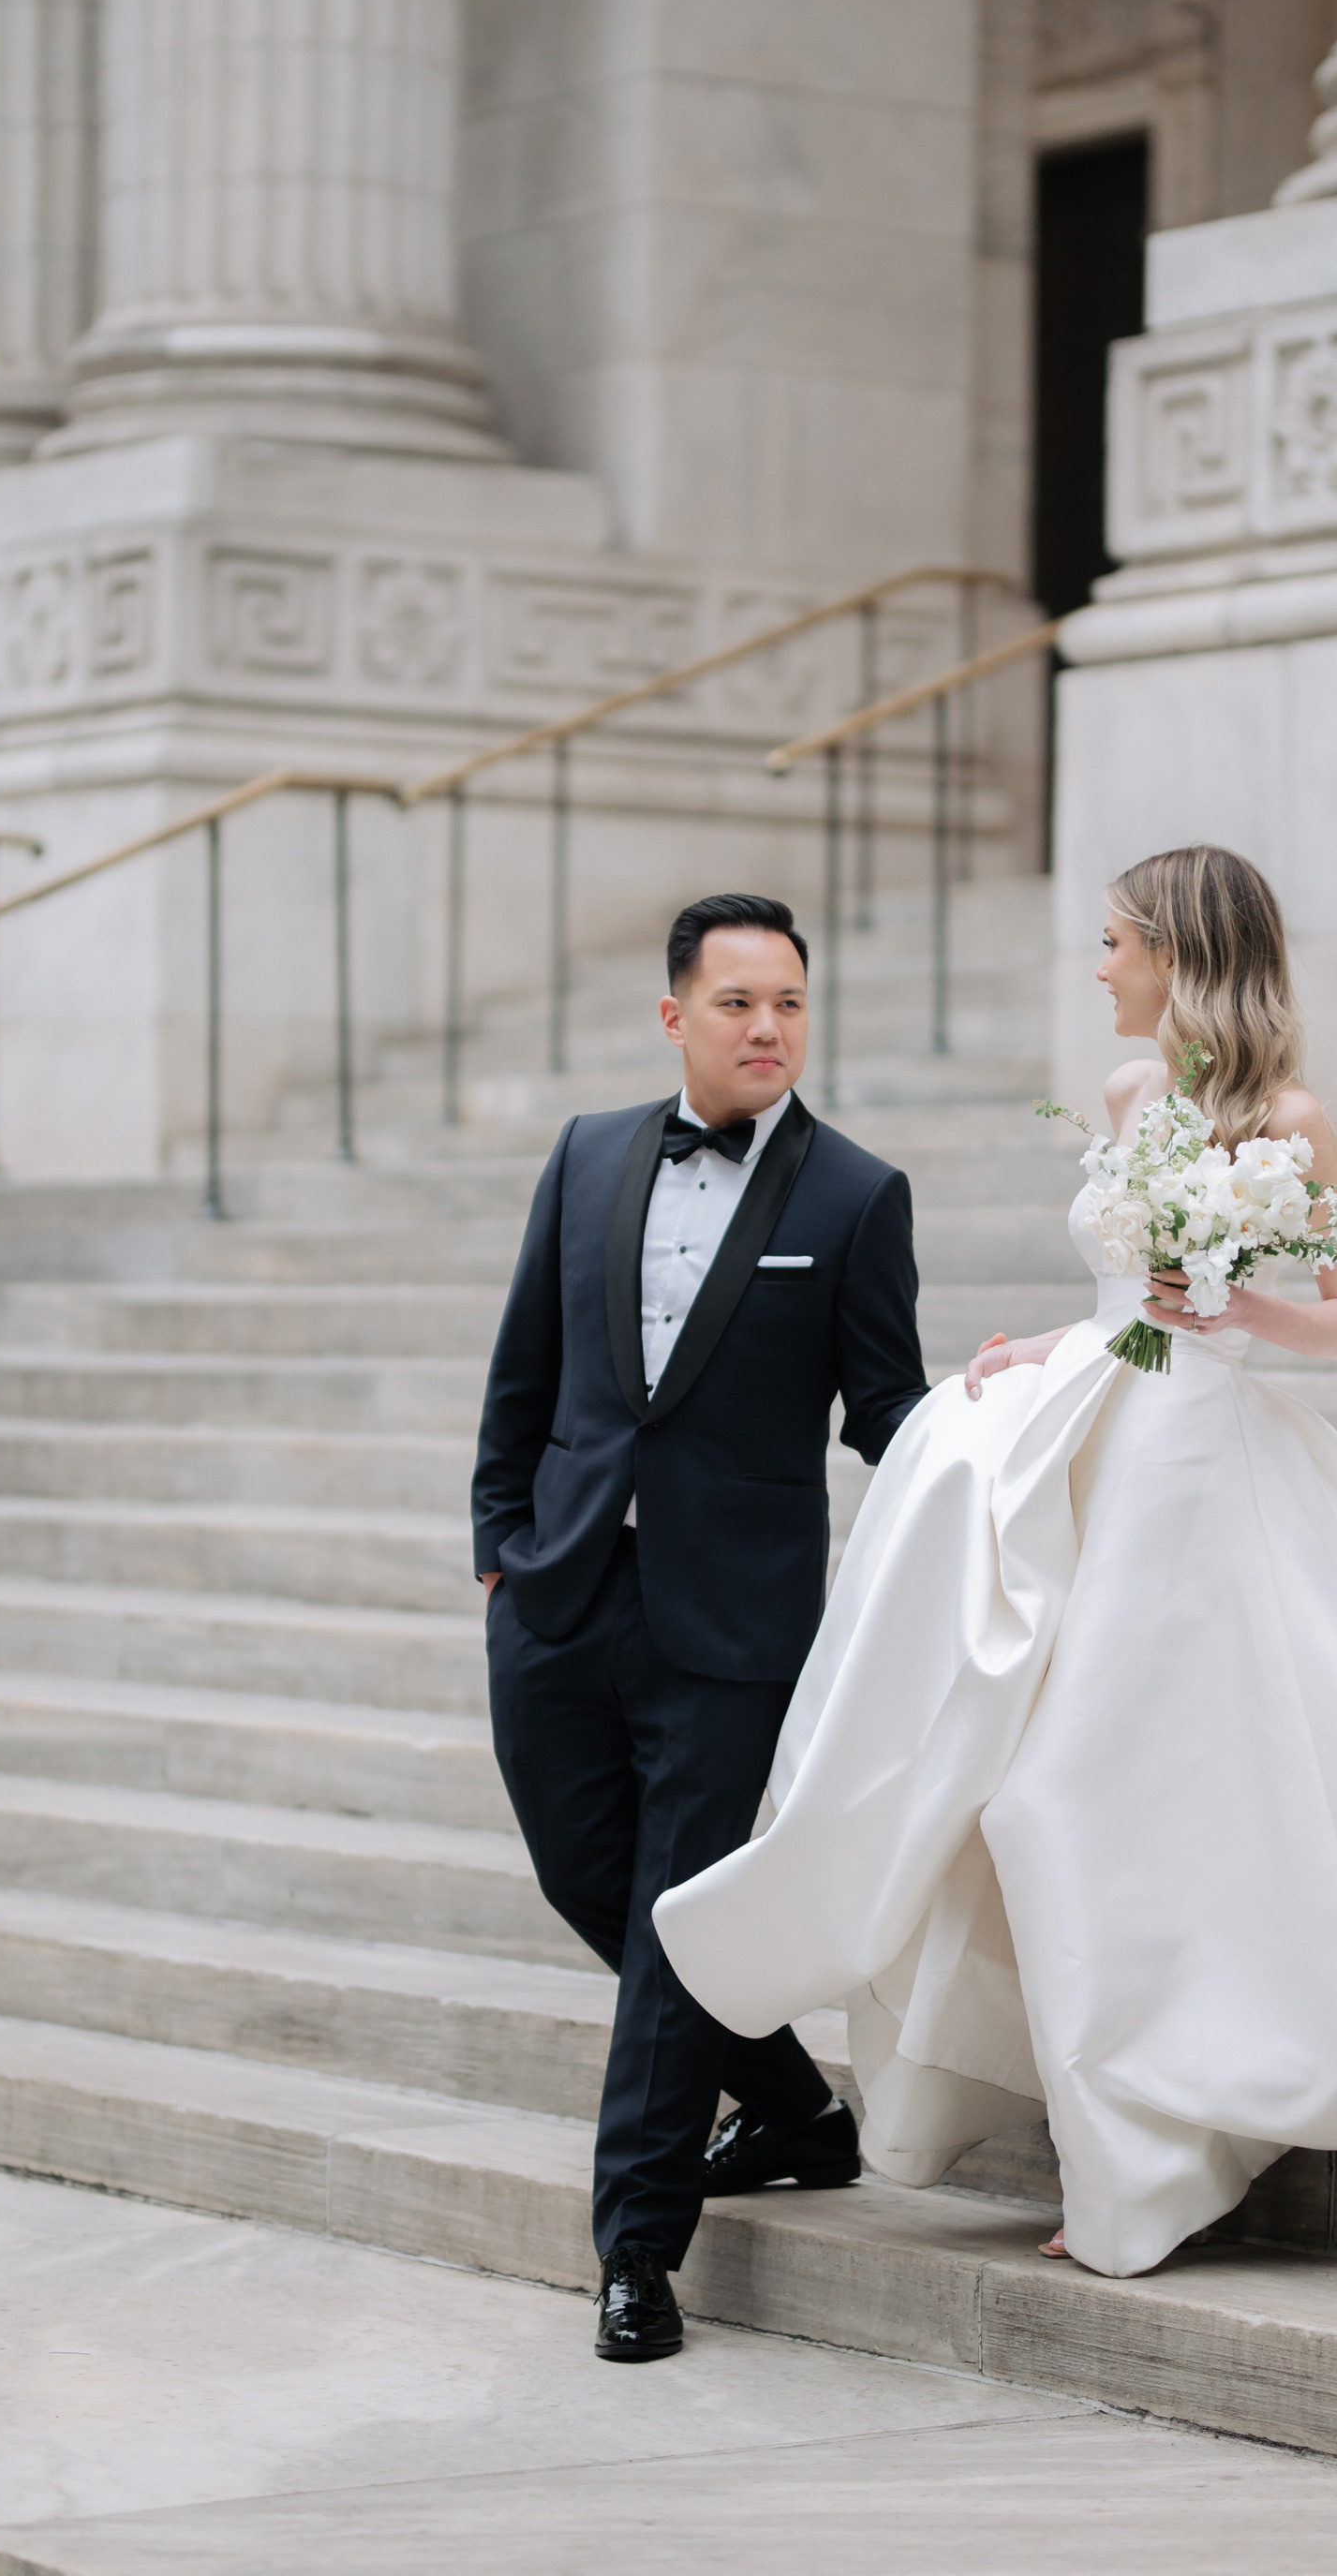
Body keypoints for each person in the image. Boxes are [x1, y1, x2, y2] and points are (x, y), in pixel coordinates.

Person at [654, 844, 1337, 2279]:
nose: (1098, 970)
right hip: (1103, 1441)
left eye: (1116, 944)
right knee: (1049, 1789)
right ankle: (1128, 2124)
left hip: (1206, 1473)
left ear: (1180, 953)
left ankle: (1148, 2154)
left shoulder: (1291, 1120)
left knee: (1087, 1793)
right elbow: (1117, 1291)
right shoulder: (1137, 1096)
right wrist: (1058, 1340)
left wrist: (1236, 1312)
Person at [473, 893, 928, 2359]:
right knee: (580, 1877)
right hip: (560, 1592)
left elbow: (888, 1415)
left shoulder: (858, 1196)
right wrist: (499, 1543)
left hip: (731, 1626)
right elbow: (525, 1365)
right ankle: (796, 2108)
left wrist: (1014, 1413)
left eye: (790, 1002)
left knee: (674, 1930)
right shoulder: (591, 1153)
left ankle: (635, 2253)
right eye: (739, 1004)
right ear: (677, 1016)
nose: (769, 1029)